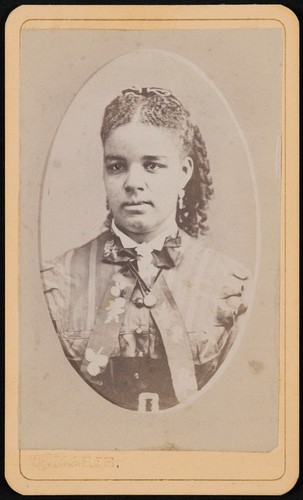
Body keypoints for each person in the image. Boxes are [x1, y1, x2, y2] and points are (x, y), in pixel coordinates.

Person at [41, 86, 251, 412]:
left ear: (184, 172)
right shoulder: (56, 282)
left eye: (152, 165)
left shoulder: (229, 286)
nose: (132, 182)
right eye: (117, 166)